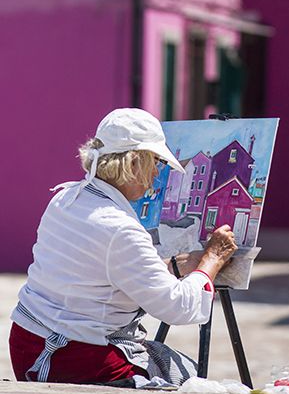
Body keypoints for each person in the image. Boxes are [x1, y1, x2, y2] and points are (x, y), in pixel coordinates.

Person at [9, 107, 237, 386]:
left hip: (31, 343)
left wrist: (178, 266)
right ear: (132, 165)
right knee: (191, 381)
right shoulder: (118, 227)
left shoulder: (66, 198)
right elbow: (178, 308)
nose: (157, 173)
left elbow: (110, 272)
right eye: (155, 162)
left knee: (182, 367)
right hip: (70, 356)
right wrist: (211, 260)